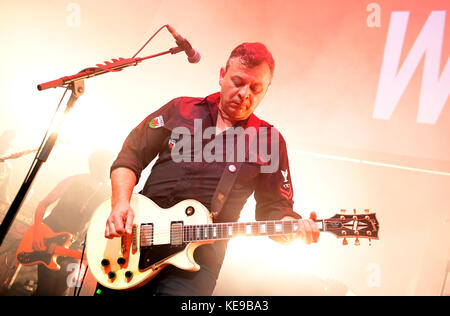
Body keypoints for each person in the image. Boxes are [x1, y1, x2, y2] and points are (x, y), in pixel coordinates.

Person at [98, 42, 320, 296]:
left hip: (196, 264)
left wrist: (292, 226)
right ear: (222, 75)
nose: (244, 94)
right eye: (238, 82)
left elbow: (274, 207)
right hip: (134, 243)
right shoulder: (179, 109)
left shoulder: (269, 141)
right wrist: (119, 205)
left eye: (256, 88)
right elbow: (130, 155)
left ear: (267, 90)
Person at [31, 149, 115, 296]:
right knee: (46, 289)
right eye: (110, 165)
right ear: (99, 165)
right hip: (50, 238)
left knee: (62, 290)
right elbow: (43, 204)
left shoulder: (107, 193)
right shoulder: (73, 180)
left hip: (74, 246)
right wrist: (37, 231)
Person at [0, 130, 17, 211]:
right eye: (5, 142)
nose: (7, 146)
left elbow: (4, 192)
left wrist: (10, 206)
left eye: (10, 145)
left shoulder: (8, 168)